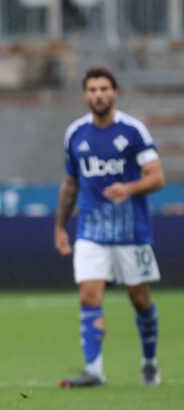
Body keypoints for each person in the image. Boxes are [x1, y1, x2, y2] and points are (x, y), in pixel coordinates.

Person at [55, 66, 165, 388]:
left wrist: (128, 188)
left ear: (114, 92)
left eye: (104, 89)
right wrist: (60, 227)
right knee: (89, 295)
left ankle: (149, 362)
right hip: (91, 229)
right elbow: (71, 183)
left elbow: (157, 176)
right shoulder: (75, 133)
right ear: (85, 94)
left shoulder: (133, 131)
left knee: (139, 299)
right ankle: (94, 371)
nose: (98, 95)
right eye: (92, 90)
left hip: (131, 231)